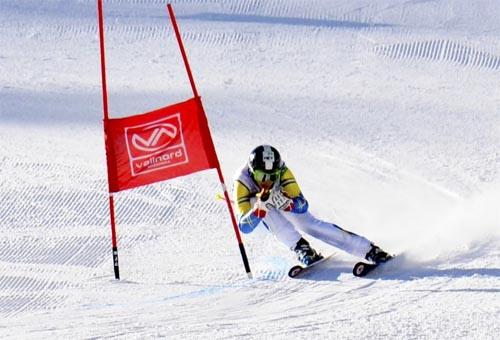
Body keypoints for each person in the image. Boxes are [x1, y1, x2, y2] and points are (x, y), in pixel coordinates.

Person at [233, 144, 392, 266]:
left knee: (308, 224)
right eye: (261, 175)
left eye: (272, 175)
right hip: (259, 206)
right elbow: (244, 227)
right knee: (256, 202)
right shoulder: (242, 182)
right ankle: (300, 247)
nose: (266, 179)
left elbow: (303, 206)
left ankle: (368, 249)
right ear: (252, 171)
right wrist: (258, 210)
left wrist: (289, 204)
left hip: (281, 199)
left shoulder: (283, 172)